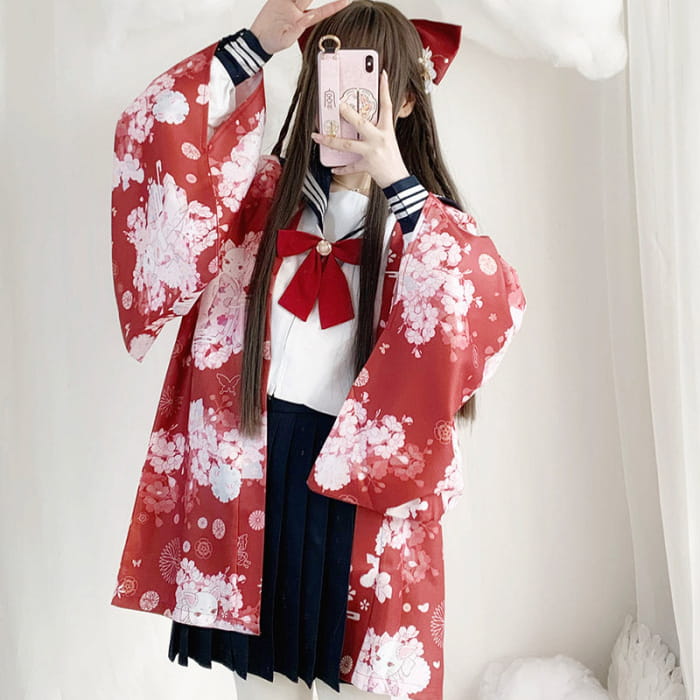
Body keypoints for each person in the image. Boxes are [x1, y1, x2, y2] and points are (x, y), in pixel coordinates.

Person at [109, 1, 527, 699]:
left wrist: (397, 182)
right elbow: (160, 140)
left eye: (370, 82)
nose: (349, 104)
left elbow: (488, 299)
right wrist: (255, 44)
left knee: (356, 684)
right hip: (254, 469)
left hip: (362, 484)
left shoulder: (427, 233)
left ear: (405, 100)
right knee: (261, 688)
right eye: (333, 79)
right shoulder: (257, 202)